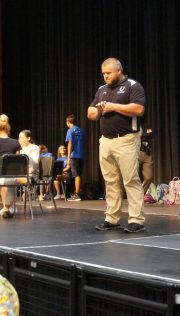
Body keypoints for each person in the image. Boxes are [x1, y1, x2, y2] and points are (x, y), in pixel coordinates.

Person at [87, 57, 146, 233]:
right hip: (105, 141)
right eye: (103, 73)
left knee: (130, 179)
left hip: (126, 139)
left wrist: (112, 106)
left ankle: (137, 219)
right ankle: (112, 218)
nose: (105, 76)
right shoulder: (101, 90)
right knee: (110, 181)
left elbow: (138, 109)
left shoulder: (132, 86)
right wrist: (98, 110)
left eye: (108, 73)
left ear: (119, 71)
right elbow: (90, 113)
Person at [65, 114, 84, 202]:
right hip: (81, 155)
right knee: (79, 175)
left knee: (76, 175)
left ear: (68, 122)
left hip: (74, 155)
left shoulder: (70, 130)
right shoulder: (80, 130)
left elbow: (70, 144)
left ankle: (77, 194)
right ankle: (78, 192)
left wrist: (68, 157)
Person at [139, 125, 154, 194]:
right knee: (133, 177)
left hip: (147, 153)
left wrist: (141, 135)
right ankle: (134, 197)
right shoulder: (130, 125)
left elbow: (151, 134)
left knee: (149, 177)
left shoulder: (146, 124)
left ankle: (140, 195)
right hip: (136, 152)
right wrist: (145, 135)